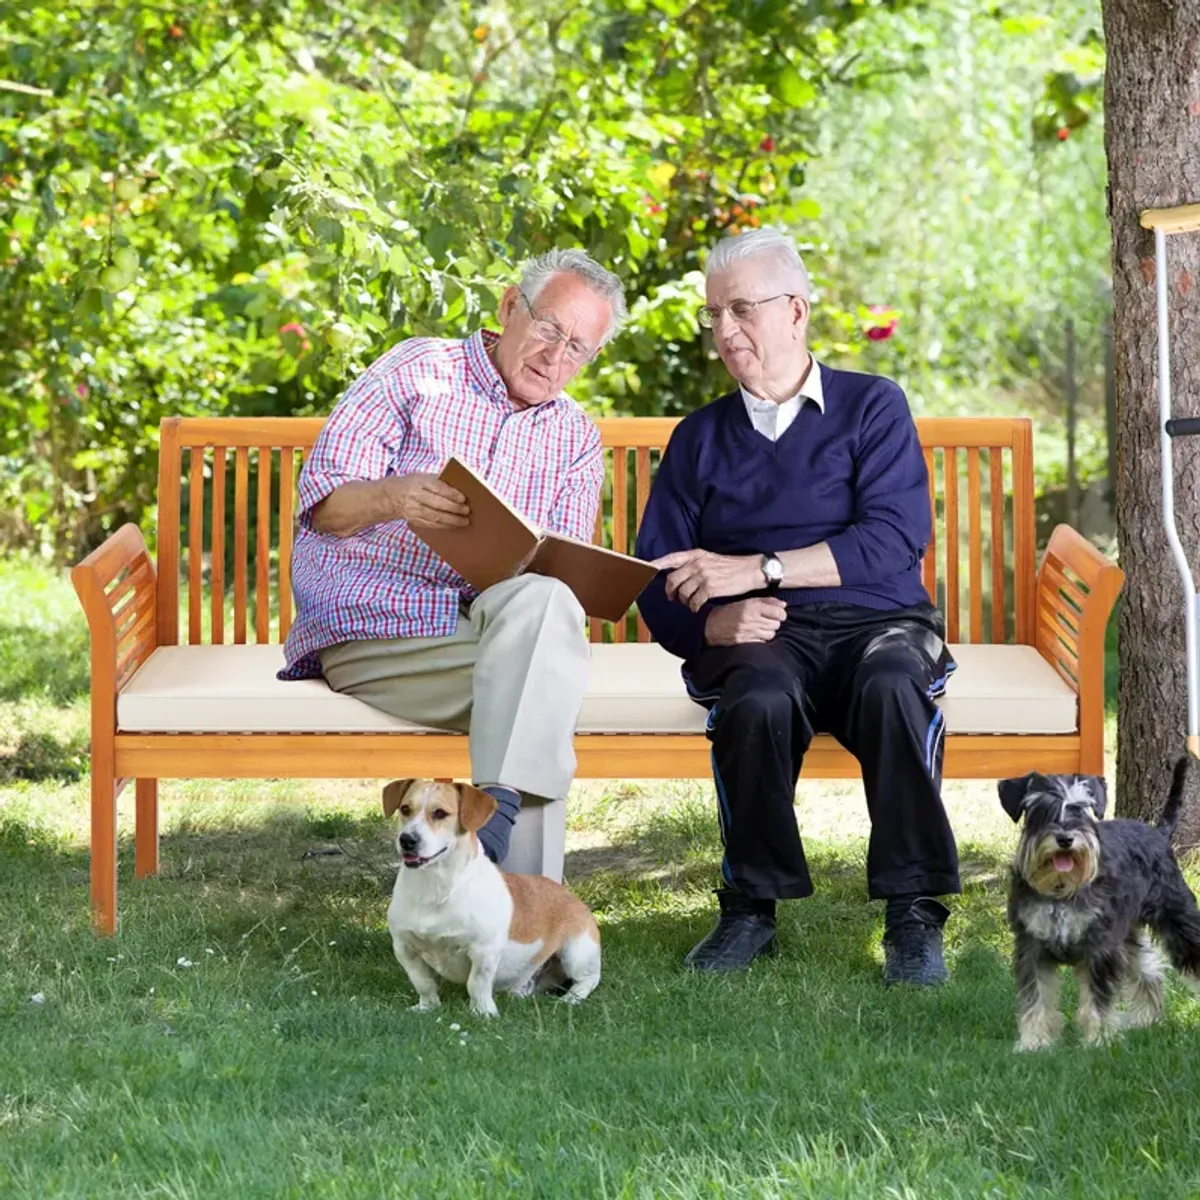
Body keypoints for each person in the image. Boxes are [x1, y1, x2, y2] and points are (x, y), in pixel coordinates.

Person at [635, 228, 959, 985]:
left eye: (741, 309)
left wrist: (757, 569)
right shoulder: (699, 439)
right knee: (756, 698)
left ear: (796, 312)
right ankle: (751, 907)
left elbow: (892, 539)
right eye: (714, 314)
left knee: (892, 688)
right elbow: (656, 576)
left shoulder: (872, 407)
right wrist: (711, 622)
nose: (724, 329)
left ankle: (913, 915)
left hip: (878, 624)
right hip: (762, 638)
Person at [280, 249, 627, 873]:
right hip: (380, 634)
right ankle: (522, 921)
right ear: (509, 307)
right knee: (541, 686)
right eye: (549, 328)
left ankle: (492, 838)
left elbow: (560, 583)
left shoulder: (575, 437)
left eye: (577, 347)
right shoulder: (417, 370)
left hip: (491, 635)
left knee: (541, 635)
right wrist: (394, 494)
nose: (555, 357)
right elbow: (324, 506)